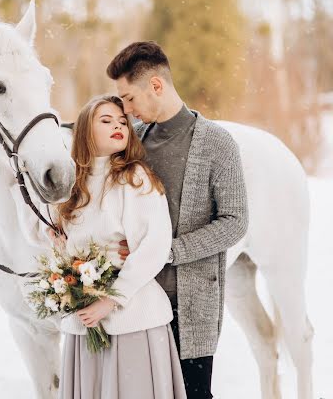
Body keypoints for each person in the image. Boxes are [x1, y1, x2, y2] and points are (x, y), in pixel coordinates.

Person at [106, 41, 249, 399]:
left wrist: (167, 251)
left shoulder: (217, 143)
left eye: (128, 98)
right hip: (135, 299)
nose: (125, 109)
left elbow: (235, 221)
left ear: (156, 85)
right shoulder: (132, 142)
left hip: (190, 306)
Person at [56, 94, 187, 399]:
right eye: (106, 120)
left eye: (123, 121)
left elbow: (153, 246)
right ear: (86, 129)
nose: (119, 126)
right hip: (85, 322)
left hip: (132, 320)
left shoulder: (134, 178)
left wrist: (110, 301)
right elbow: (72, 250)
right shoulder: (73, 185)